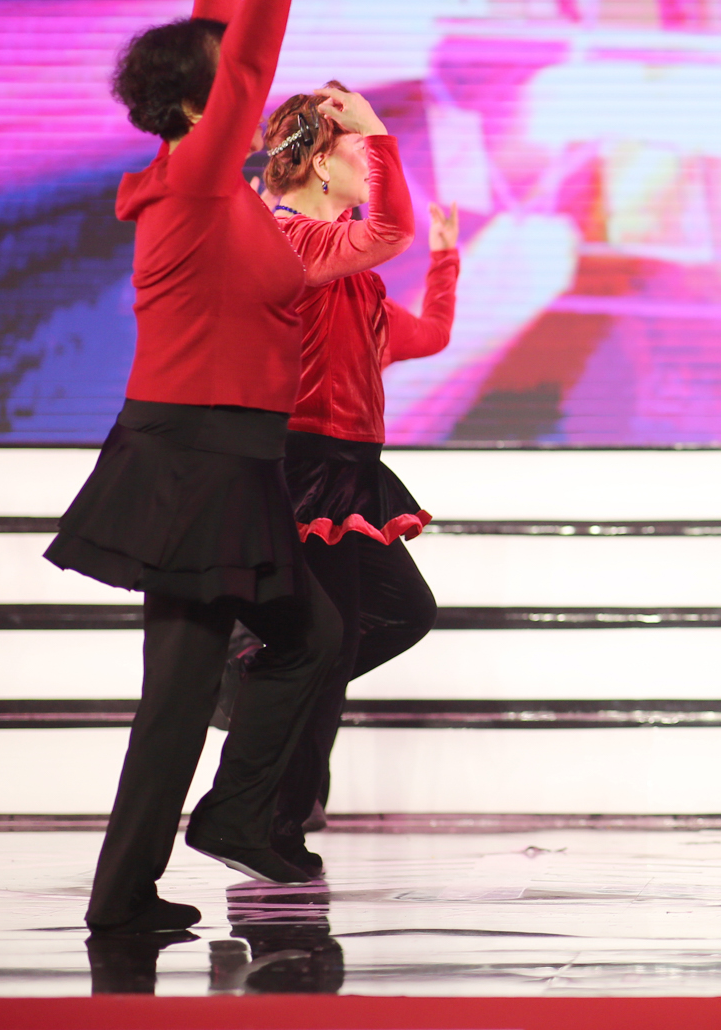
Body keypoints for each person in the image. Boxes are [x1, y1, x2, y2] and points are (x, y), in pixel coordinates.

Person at [42, 0, 349, 934]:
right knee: (182, 692)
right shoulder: (197, 184)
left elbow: (220, 51)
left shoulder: (203, 177)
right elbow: (243, 60)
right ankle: (129, 893)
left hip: (231, 457)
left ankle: (223, 821)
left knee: (309, 638)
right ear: (195, 109)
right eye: (227, 92)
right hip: (193, 460)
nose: (251, 100)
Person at [264, 83, 459, 872]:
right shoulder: (291, 241)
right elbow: (387, 228)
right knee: (329, 640)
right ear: (318, 163)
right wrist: (378, 130)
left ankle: (278, 764)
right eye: (352, 147)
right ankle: (278, 810)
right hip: (303, 468)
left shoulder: (352, 276)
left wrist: (444, 261)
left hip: (350, 470)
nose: (367, 159)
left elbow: (429, 334)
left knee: (397, 613)